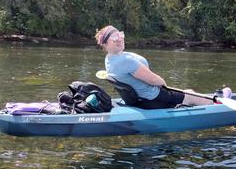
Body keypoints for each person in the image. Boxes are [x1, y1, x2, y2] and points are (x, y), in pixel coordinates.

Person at [95, 25, 228, 109]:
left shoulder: (110, 59)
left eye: (120, 35)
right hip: (153, 98)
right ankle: (221, 105)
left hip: (140, 99)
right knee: (192, 95)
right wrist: (164, 86)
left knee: (187, 91)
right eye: (114, 39)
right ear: (105, 45)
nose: (119, 39)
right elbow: (155, 81)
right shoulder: (126, 61)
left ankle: (210, 98)